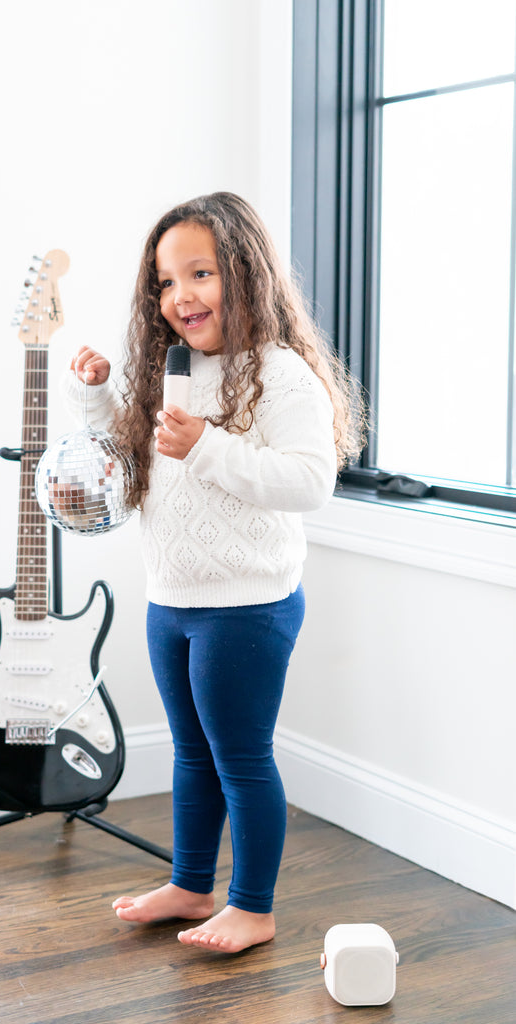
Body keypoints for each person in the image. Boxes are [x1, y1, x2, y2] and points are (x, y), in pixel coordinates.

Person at [64, 192, 365, 953]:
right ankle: (192, 885)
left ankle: (253, 907)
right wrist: (96, 396)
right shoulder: (172, 369)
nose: (180, 296)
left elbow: (308, 482)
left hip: (246, 605)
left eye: (199, 273)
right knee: (191, 754)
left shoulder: (279, 373)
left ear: (245, 272)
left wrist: (206, 445)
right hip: (172, 598)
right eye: (165, 282)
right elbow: (136, 461)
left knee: (241, 759)